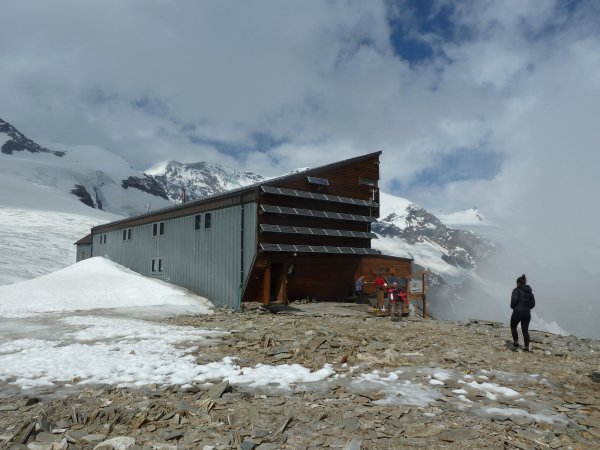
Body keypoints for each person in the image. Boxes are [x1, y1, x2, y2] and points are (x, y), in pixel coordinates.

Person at [510, 274, 536, 351]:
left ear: (518, 283)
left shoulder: (516, 290)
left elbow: (514, 301)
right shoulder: (530, 293)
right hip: (527, 313)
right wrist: (527, 308)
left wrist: (513, 307)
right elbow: (533, 304)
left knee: (513, 326)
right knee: (525, 330)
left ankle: (516, 342)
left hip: (518, 311)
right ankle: (526, 346)